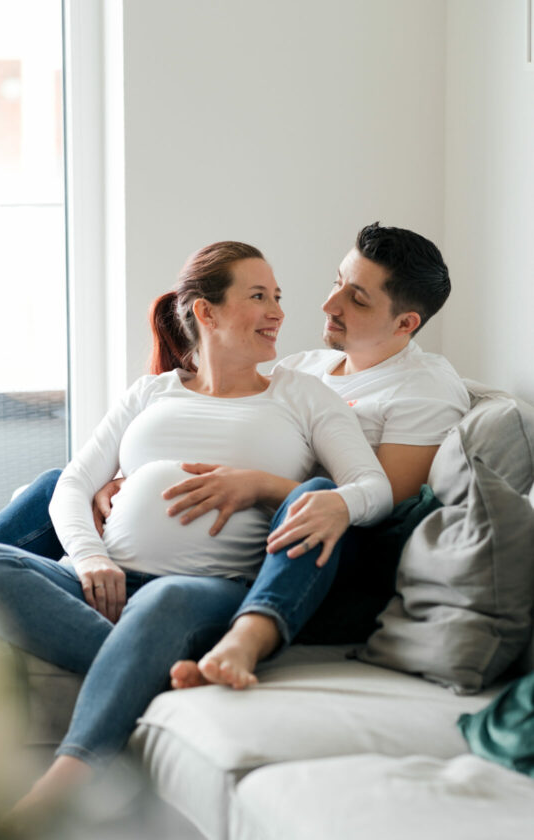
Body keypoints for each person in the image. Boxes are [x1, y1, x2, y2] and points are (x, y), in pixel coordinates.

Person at [0, 241, 392, 827]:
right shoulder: (151, 392)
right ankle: (151, 665)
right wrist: (88, 558)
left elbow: (373, 490)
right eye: (258, 296)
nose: (277, 311)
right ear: (206, 312)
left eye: (277, 297)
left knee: (164, 598)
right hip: (112, 585)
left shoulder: (302, 396)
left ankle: (66, 781)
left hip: (211, 588)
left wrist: (258, 483)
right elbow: (73, 484)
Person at [169, 222, 470, 689]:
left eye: (358, 299)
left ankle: (246, 640)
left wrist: (262, 485)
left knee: (319, 491)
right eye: (337, 283)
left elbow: (381, 510)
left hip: (337, 560)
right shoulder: (303, 367)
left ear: (405, 323)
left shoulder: (424, 390)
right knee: (58, 485)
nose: (329, 305)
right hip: (253, 529)